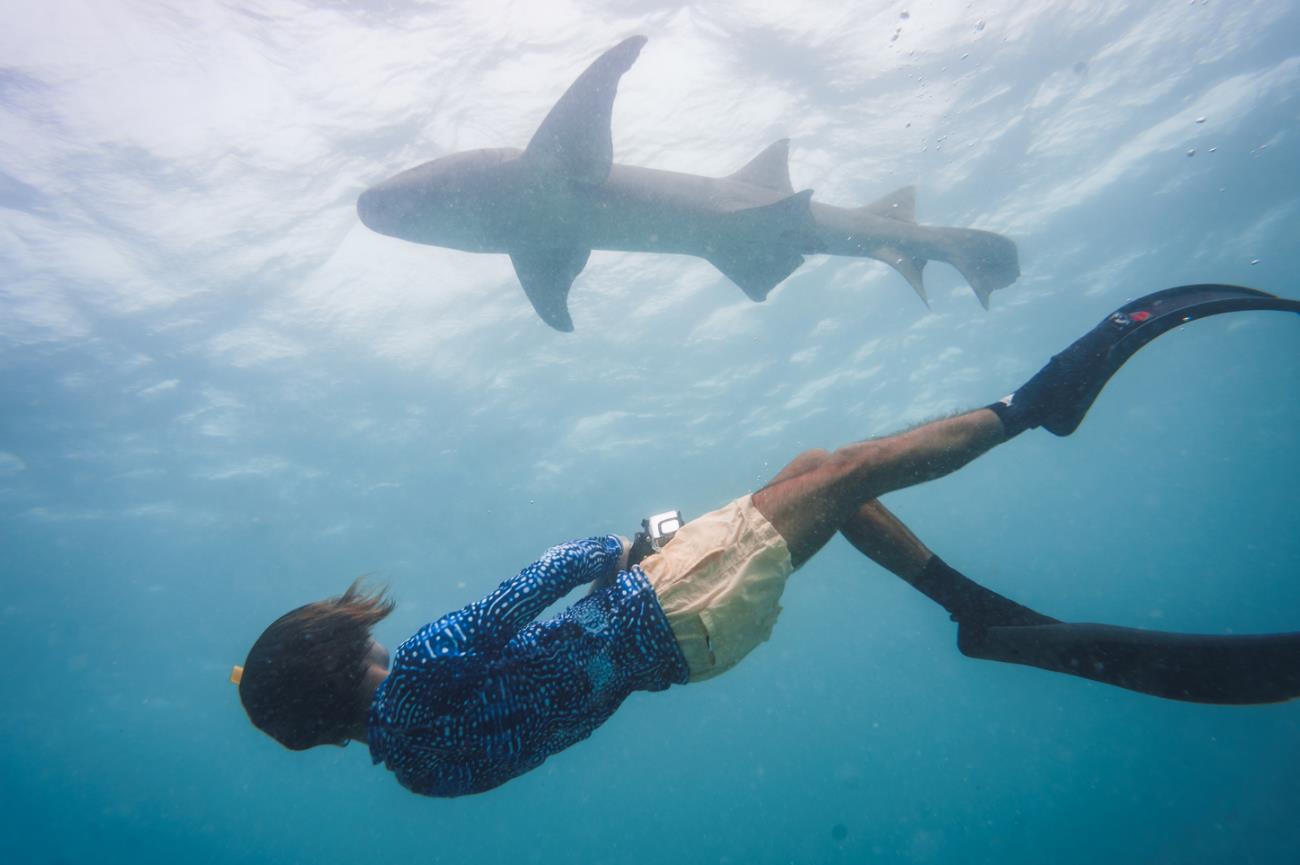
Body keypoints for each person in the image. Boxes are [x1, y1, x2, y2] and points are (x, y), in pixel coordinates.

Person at [233, 285, 1300, 798]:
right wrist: (623, 541)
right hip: (669, 598)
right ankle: (1032, 408)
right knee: (843, 475)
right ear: (335, 655)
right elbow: (528, 587)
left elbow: (547, 704)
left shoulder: (418, 769)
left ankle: (972, 613)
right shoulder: (418, 671)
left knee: (807, 465)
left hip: (679, 650)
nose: (369, 627)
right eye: (347, 627)